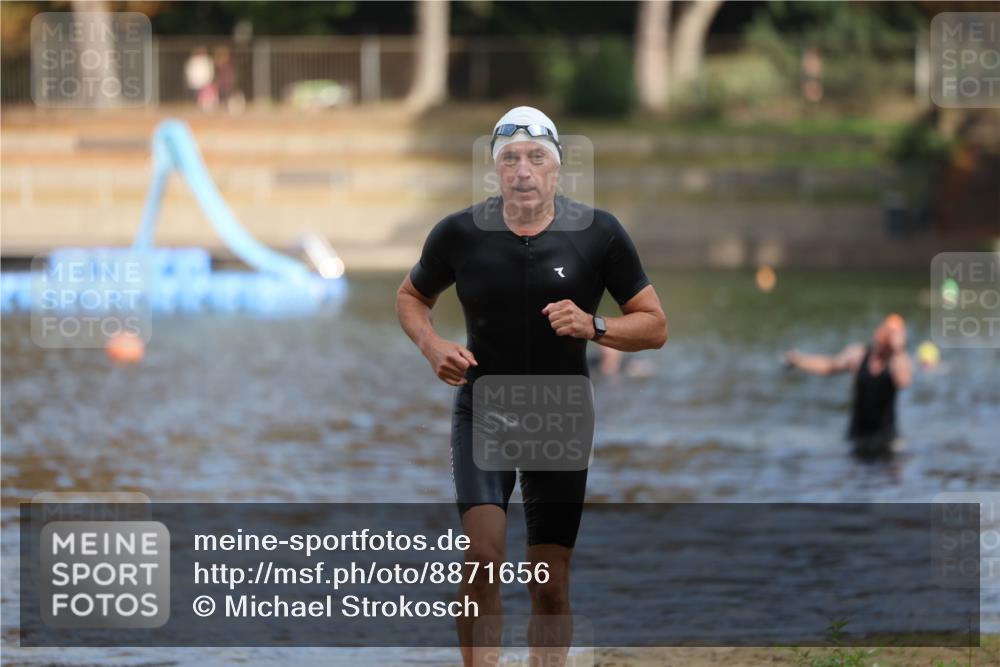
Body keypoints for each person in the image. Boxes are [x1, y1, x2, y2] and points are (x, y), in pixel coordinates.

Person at [396, 106, 667, 667]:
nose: (523, 170)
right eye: (510, 158)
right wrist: (431, 347)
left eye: (536, 158)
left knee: (549, 583)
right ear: (496, 170)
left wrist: (595, 326)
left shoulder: (599, 234)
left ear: (556, 169)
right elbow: (411, 297)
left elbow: (655, 325)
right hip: (485, 409)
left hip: (560, 415)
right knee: (480, 555)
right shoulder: (459, 233)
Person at [785, 314, 913, 459]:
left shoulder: (897, 361)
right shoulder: (859, 355)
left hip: (886, 439)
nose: (886, 337)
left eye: (893, 334)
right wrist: (799, 361)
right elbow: (829, 365)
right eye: (886, 331)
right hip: (857, 436)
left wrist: (898, 350)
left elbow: (904, 381)